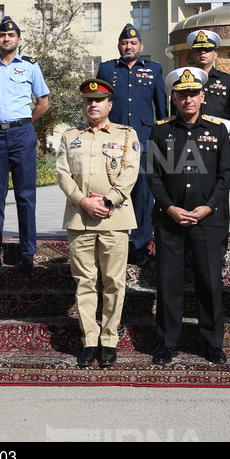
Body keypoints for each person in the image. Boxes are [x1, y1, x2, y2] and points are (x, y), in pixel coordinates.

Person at [147, 67, 230, 366]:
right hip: (169, 220)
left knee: (209, 283)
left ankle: (212, 343)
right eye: (182, 95)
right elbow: (153, 175)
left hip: (208, 219)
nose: (188, 100)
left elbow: (225, 174)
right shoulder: (160, 131)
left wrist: (208, 207)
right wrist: (170, 208)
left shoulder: (218, 130)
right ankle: (168, 343)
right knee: (168, 284)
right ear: (174, 98)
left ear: (203, 96)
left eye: (193, 94)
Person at [56, 78, 140, 368]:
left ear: (110, 104)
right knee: (85, 282)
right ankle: (89, 340)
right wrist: (83, 201)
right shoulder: (70, 136)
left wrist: (107, 200)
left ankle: (109, 340)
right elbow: (62, 174)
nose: (93, 104)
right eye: (88, 100)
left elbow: (131, 172)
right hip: (80, 219)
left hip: (114, 218)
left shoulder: (127, 135)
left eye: (99, 100)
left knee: (114, 282)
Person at [0, 16, 50, 269]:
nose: (6, 39)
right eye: (2, 35)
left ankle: (27, 253)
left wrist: (25, 123)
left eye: (11, 35)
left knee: (25, 196)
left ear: (18, 39)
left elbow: (43, 103)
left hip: (21, 134)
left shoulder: (30, 66)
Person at [97, 25, 167, 266]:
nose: (129, 46)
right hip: (111, 145)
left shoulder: (154, 69)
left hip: (144, 143)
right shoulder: (106, 69)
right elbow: (98, 105)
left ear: (141, 47)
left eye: (133, 43)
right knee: (111, 195)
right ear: (119, 46)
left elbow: (162, 110)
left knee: (144, 198)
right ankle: (111, 247)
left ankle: (139, 248)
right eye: (125, 43)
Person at [178, 29, 230, 147]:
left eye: (207, 50)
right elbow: (176, 113)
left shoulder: (227, 81)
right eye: (198, 50)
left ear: (215, 54)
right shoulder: (181, 80)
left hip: (219, 139)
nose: (202, 53)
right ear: (193, 54)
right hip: (188, 139)